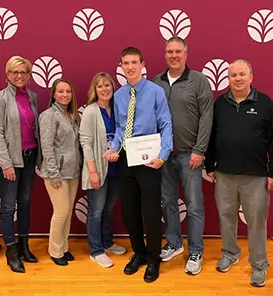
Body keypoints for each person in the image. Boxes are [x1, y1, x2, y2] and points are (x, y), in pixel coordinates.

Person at [103, 47, 173, 283]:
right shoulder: (120, 95)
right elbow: (122, 128)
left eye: (134, 62)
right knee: (130, 212)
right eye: (125, 63)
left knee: (151, 212)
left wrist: (163, 155)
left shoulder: (155, 91)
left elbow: (166, 123)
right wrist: (113, 148)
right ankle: (139, 253)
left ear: (142, 65)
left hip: (151, 160)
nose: (130, 67)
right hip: (126, 160)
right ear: (120, 66)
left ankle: (154, 259)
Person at [205, 59, 273, 287]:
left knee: (256, 222)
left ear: (251, 76)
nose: (238, 79)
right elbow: (212, 136)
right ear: (228, 79)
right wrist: (210, 165)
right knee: (226, 217)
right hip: (224, 174)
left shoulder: (265, 103)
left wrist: (272, 172)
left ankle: (260, 264)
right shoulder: (219, 104)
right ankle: (230, 253)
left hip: (256, 176)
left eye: (242, 74)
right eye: (233, 75)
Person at [153, 36, 214, 275]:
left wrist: (200, 150)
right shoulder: (156, 82)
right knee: (167, 202)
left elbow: (206, 117)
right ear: (165, 54)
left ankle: (196, 250)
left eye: (178, 51)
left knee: (194, 204)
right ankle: (174, 243)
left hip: (191, 155)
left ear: (186, 54)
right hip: (164, 156)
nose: (174, 55)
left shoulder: (199, 80)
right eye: (170, 51)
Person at [79, 72, 126, 268]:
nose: (104, 89)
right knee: (96, 211)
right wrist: (92, 172)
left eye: (107, 85)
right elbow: (86, 143)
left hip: (116, 169)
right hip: (97, 169)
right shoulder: (91, 111)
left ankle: (107, 242)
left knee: (108, 209)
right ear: (94, 90)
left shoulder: (117, 109)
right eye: (100, 86)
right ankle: (96, 250)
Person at [0, 56, 41, 273]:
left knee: (25, 202)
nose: (19, 76)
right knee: (8, 207)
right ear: (7, 74)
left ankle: (25, 245)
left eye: (23, 72)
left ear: (28, 75)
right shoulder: (2, 99)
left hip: (29, 156)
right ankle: (12, 251)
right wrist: (5, 163)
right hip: (10, 160)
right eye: (15, 72)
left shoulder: (32, 97)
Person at [39, 78, 81, 266]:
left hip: (73, 172)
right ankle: (55, 251)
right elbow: (46, 146)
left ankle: (64, 247)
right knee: (61, 212)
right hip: (56, 173)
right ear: (54, 94)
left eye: (68, 91)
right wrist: (54, 173)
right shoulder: (49, 115)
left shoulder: (72, 115)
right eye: (61, 91)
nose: (65, 95)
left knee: (68, 212)